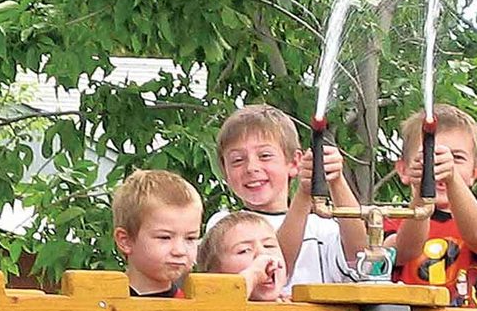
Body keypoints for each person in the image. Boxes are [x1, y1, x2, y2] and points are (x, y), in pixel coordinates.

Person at [206, 104, 366, 288]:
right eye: (237, 160)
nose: (251, 168)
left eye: (265, 156)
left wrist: (336, 180)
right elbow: (277, 268)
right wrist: (305, 193)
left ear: (294, 162)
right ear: (225, 172)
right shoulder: (223, 225)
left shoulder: (321, 227)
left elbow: (359, 255)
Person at [384, 104, 477, 308]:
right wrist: (421, 191)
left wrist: (452, 178)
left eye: (457, 158)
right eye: (428, 158)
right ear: (403, 170)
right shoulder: (393, 224)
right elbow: (403, 251)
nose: (440, 166)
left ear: (475, 172)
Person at [112, 169, 203, 298]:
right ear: (125, 241)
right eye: (165, 237)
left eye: (190, 238)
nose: (180, 251)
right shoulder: (96, 305)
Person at [197, 211, 287, 301]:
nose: (263, 254)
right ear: (214, 273)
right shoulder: (208, 307)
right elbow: (224, 308)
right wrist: (254, 275)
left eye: (269, 245)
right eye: (244, 250)